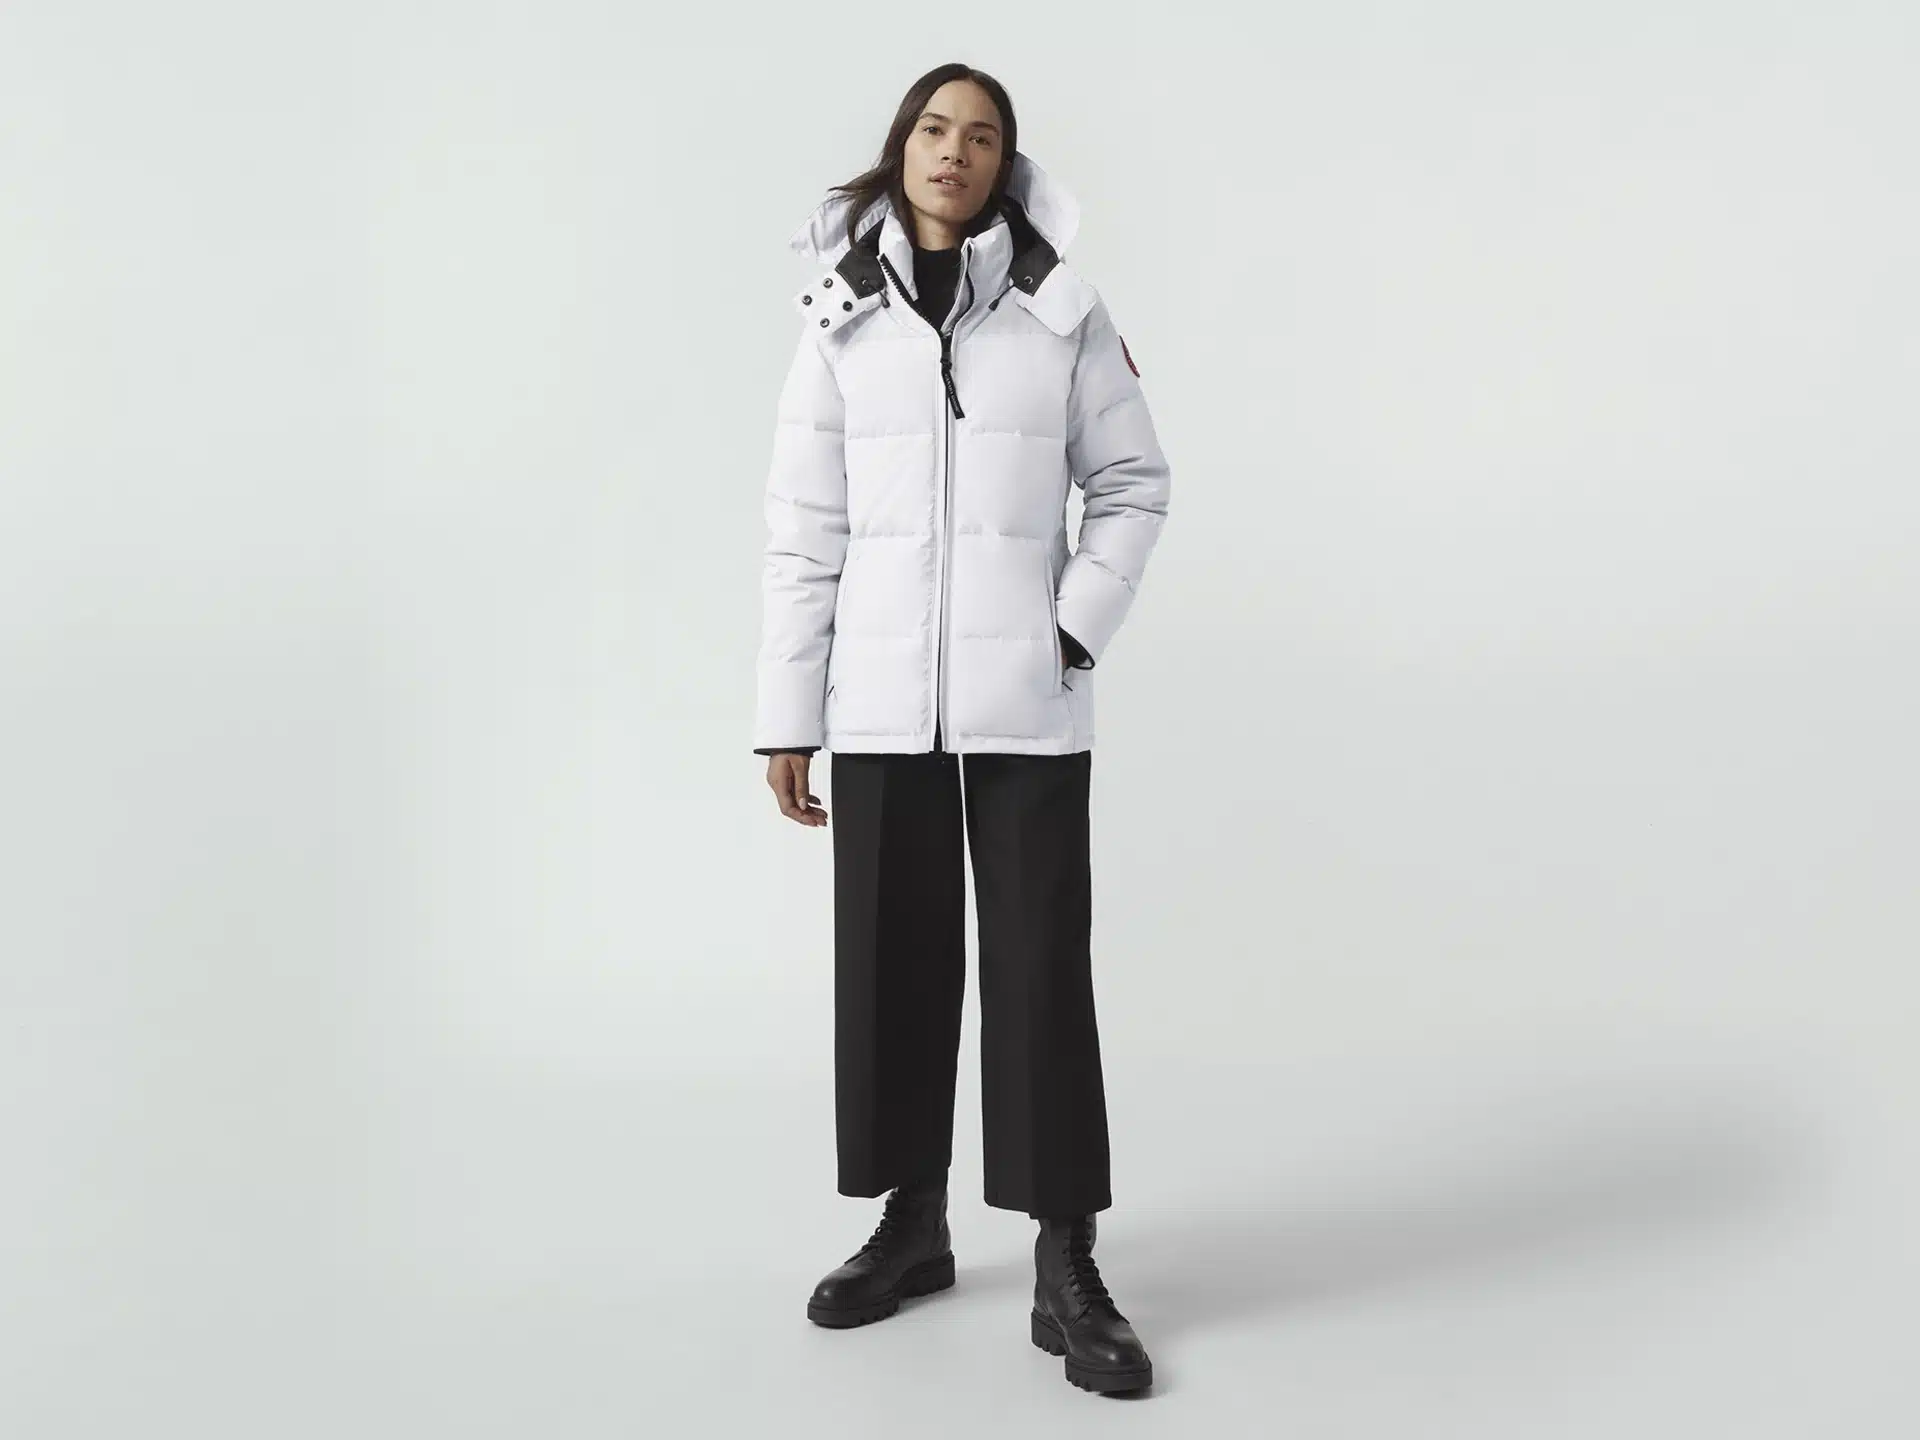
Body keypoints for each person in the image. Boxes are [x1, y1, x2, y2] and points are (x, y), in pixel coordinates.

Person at [750, 62, 1172, 1395]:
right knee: (893, 964)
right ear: (901, 148)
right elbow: (804, 532)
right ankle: (912, 1224)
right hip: (879, 711)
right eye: (935, 129)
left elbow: (1133, 483)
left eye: (981, 137)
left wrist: (1069, 631)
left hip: (1028, 710)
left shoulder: (1062, 315)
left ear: (1005, 167)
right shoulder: (839, 322)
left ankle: (1066, 1259)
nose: (954, 151)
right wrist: (788, 716)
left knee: (1041, 975)